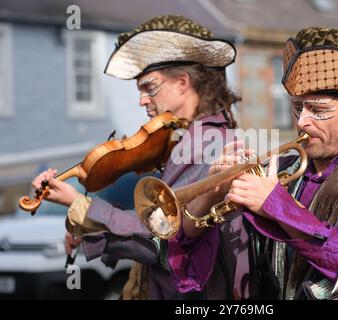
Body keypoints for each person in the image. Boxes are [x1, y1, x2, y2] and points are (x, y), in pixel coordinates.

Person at [165, 26, 338, 300]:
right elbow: (202, 255)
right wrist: (210, 194)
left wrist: (278, 206)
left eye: (318, 110)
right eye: (298, 107)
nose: (301, 122)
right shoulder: (282, 170)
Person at [31, 14, 239, 299]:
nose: (141, 99)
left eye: (149, 87)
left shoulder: (210, 143)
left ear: (182, 83)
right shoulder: (182, 139)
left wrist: (80, 205)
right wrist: (89, 230)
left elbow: (162, 238)